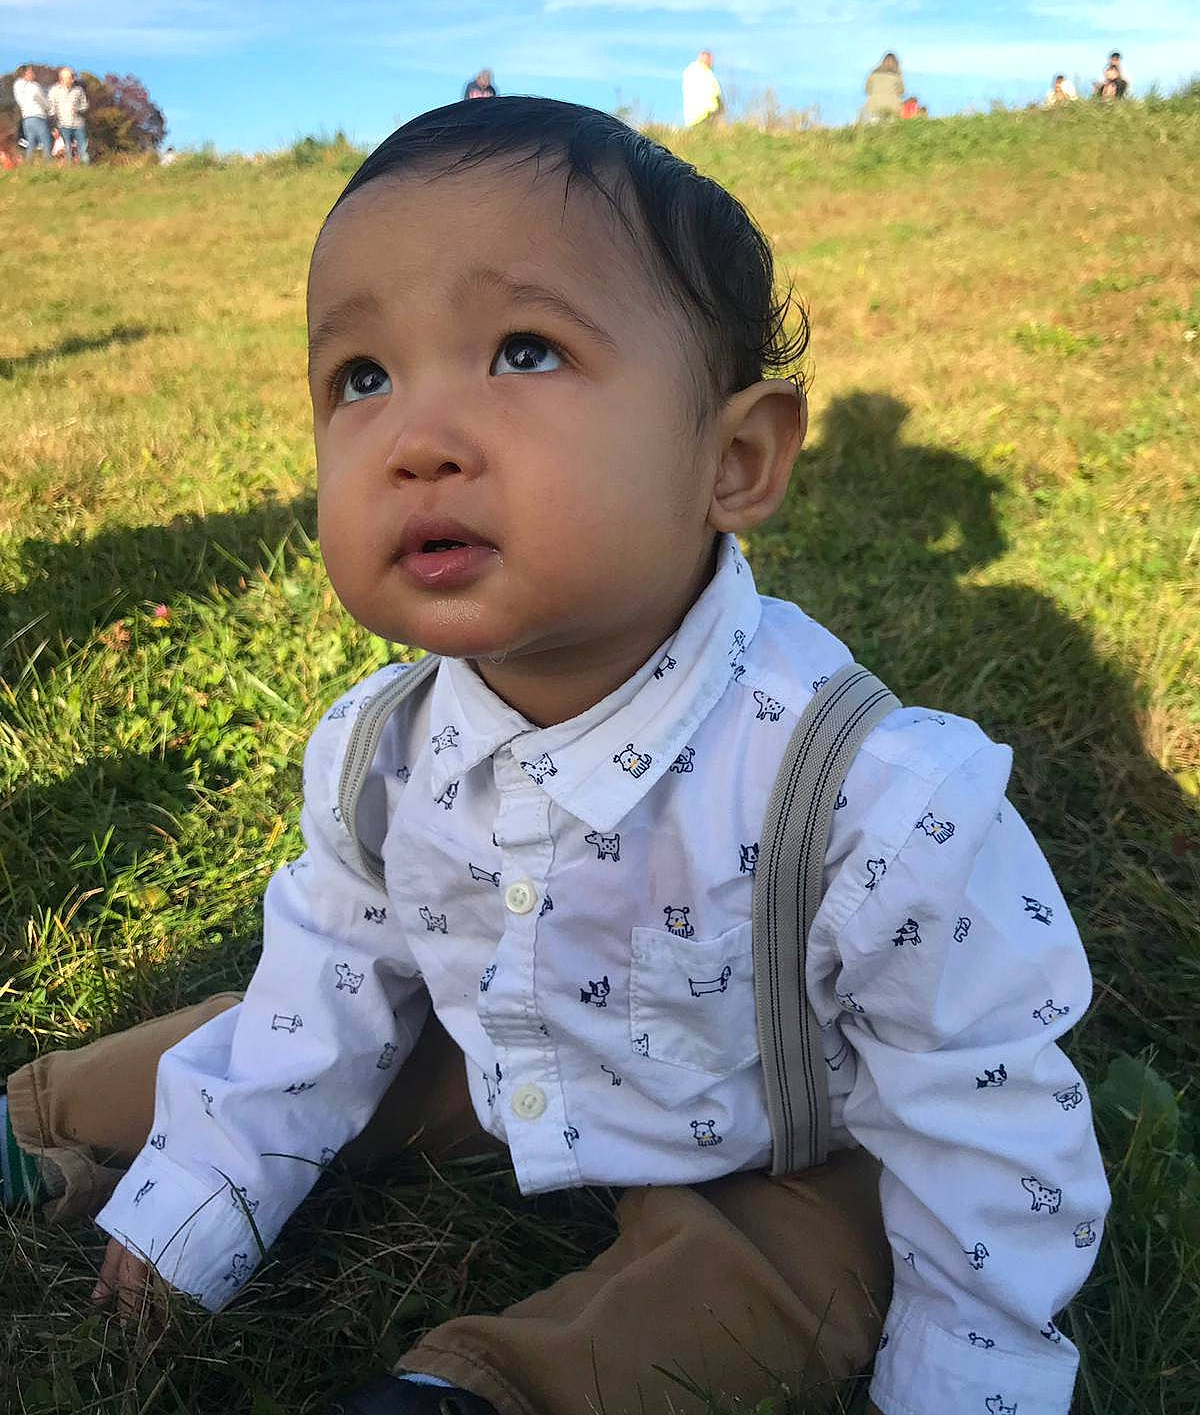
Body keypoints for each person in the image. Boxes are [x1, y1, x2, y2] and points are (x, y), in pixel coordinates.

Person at [1, 98, 1109, 1415]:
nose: (418, 440)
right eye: (362, 377)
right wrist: (199, 1205)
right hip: (512, 1055)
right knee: (303, 1030)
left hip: (789, 1138)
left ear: (736, 457)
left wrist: (972, 1375)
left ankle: (480, 1394)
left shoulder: (873, 798)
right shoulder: (380, 748)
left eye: (523, 350)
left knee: (795, 1267)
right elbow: (331, 988)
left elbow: (984, 1118)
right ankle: (41, 1121)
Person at [47, 67, 89, 163]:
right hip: (63, 125)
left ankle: (86, 169)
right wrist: (54, 124)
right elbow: (51, 108)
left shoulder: (79, 90)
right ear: (62, 79)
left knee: (83, 150)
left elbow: (84, 105)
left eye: (72, 77)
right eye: (70, 78)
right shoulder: (54, 91)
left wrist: (78, 109)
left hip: (78, 124)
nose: (72, 79)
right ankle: (70, 170)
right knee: (67, 149)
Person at [13, 64, 52, 160]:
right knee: (46, 142)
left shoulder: (17, 87)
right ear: (26, 73)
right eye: (31, 71)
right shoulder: (34, 86)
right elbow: (43, 101)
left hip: (26, 119)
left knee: (31, 144)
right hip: (38, 117)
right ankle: (48, 167)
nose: (33, 73)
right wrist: (49, 107)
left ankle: (28, 165)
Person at [681, 49, 723, 127]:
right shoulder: (705, 72)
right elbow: (714, 90)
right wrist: (719, 106)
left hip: (693, 116)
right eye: (710, 60)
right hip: (706, 112)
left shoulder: (689, 71)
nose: (711, 63)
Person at [860, 53, 904, 123]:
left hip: (874, 108)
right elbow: (901, 92)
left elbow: (867, 90)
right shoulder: (897, 77)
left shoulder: (873, 75)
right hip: (892, 109)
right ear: (896, 64)